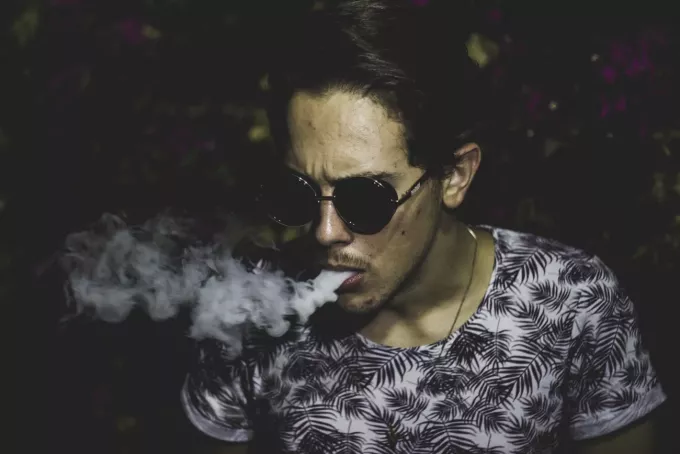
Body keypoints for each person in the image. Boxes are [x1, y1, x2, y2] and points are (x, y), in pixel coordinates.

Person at [181, 1, 666, 452]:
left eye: (365, 197)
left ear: (453, 177)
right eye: (300, 192)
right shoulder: (250, 312)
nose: (325, 232)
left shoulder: (572, 301)